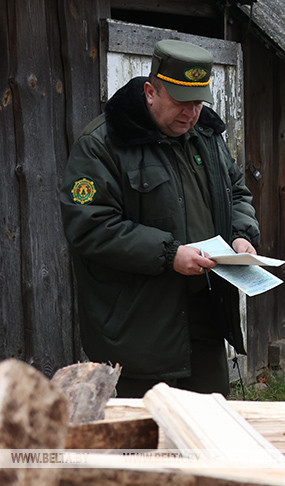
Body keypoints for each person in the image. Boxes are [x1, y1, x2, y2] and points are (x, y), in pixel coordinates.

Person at [60, 39, 260, 398]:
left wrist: (241, 235)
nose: (191, 113)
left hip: (204, 321)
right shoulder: (101, 144)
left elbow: (237, 191)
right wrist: (170, 254)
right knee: (144, 440)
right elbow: (90, 226)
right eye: (181, 102)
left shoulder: (207, 138)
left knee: (206, 432)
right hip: (138, 331)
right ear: (151, 92)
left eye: (199, 103)